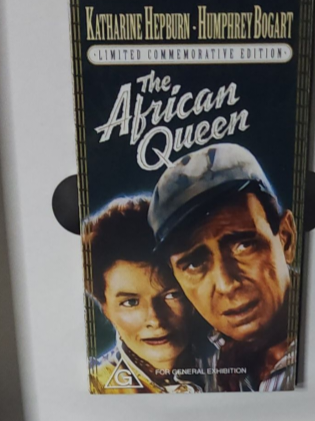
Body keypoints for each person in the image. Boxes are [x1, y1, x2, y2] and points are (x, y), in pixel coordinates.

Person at [149, 144, 298, 392]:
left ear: (286, 239)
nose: (227, 284)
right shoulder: (188, 351)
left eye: (244, 245)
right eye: (194, 264)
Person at [84, 196, 209, 393]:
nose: (155, 319)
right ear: (105, 308)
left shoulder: (237, 364)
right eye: (131, 302)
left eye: (172, 295)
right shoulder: (95, 387)